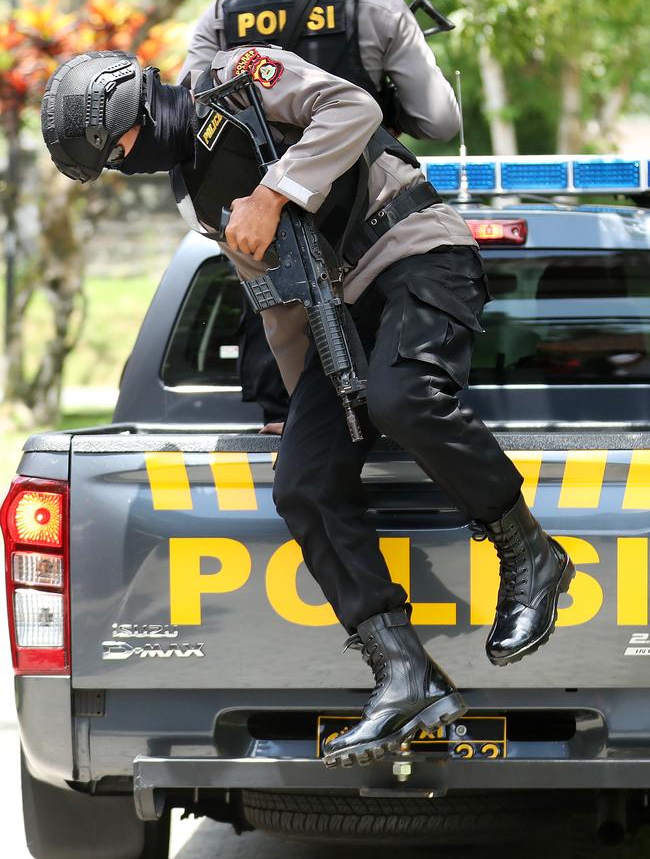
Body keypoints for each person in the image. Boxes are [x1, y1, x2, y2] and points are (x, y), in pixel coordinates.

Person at [41, 47, 575, 768]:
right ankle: (404, 671)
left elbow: (354, 108)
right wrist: (308, 414)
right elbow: (281, 308)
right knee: (303, 479)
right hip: (339, 310)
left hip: (417, 252)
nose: (124, 165)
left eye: (116, 151)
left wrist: (273, 193)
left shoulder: (233, 76)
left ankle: (531, 553)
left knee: (402, 395)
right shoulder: (196, 198)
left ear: (125, 110)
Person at [181, 0, 461, 430]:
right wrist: (382, 104)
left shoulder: (223, 14)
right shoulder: (376, 8)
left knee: (294, 409)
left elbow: (192, 105)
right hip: (371, 233)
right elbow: (440, 121)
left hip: (265, 245)